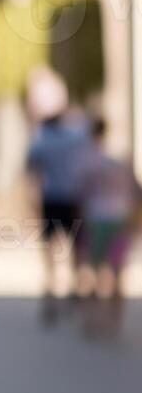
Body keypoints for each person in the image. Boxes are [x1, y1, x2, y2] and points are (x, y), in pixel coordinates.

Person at [72, 119, 140, 337]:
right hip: (119, 218)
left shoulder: (88, 161)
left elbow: (80, 193)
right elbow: (137, 193)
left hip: (96, 218)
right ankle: (114, 321)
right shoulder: (121, 163)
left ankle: (91, 319)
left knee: (91, 268)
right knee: (116, 271)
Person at [25, 106, 90, 314]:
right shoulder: (74, 141)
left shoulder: (42, 143)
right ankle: (74, 285)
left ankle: (51, 286)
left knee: (50, 246)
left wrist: (31, 202)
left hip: (52, 197)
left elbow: (31, 172)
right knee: (74, 245)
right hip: (72, 198)